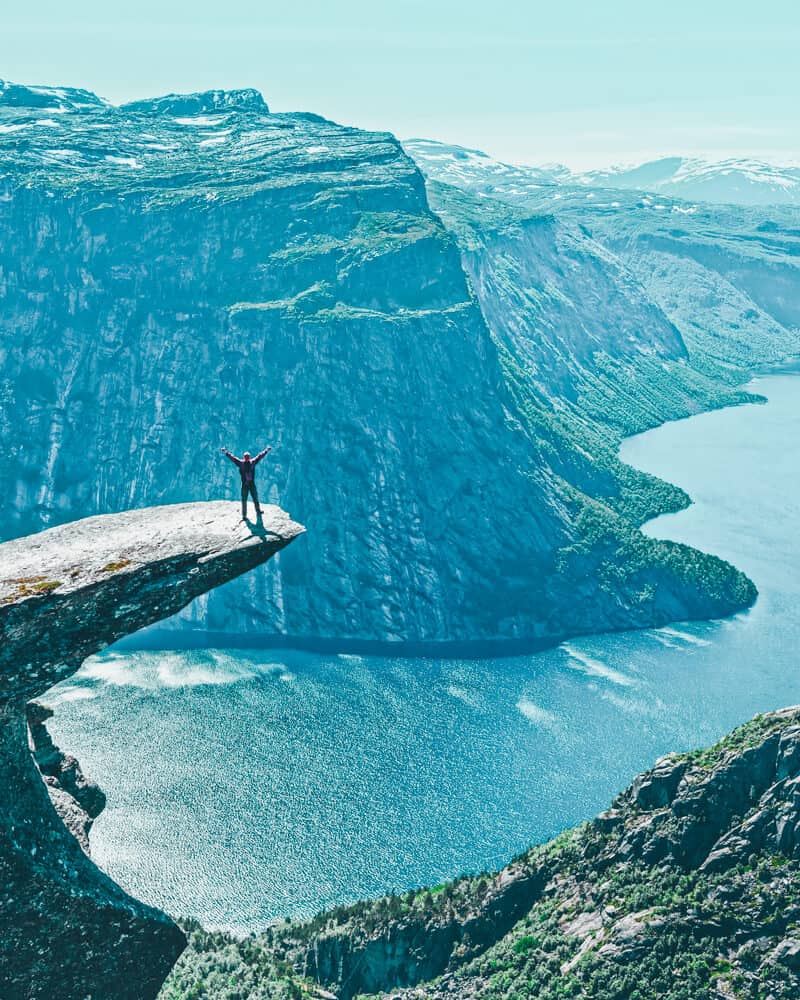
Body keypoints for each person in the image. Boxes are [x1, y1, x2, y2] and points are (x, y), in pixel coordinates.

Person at [221, 445, 271, 519]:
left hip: (248, 484)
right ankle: (247, 514)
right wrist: (225, 452)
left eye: (247, 457)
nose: (247, 458)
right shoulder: (249, 463)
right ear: (245, 457)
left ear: (247, 457)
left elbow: (260, 456)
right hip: (247, 484)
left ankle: (254, 512)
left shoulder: (243, 463)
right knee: (247, 499)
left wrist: (266, 450)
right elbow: (232, 458)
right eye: (246, 457)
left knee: (252, 498)